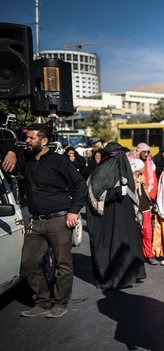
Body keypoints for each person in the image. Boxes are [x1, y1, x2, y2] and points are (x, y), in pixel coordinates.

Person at [20, 123, 87, 318]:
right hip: (36, 221)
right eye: (27, 137)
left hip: (59, 220)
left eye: (31, 138)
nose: (27, 141)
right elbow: (9, 149)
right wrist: (11, 154)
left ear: (44, 141)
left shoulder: (60, 161)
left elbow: (80, 185)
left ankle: (60, 302)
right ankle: (42, 302)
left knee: (62, 263)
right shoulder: (28, 158)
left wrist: (74, 211)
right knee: (29, 261)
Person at [86, 142, 146, 289]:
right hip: (109, 218)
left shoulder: (123, 170)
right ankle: (116, 278)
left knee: (128, 242)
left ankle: (132, 274)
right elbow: (96, 194)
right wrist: (116, 192)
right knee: (115, 244)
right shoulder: (102, 172)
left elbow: (132, 192)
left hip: (124, 214)